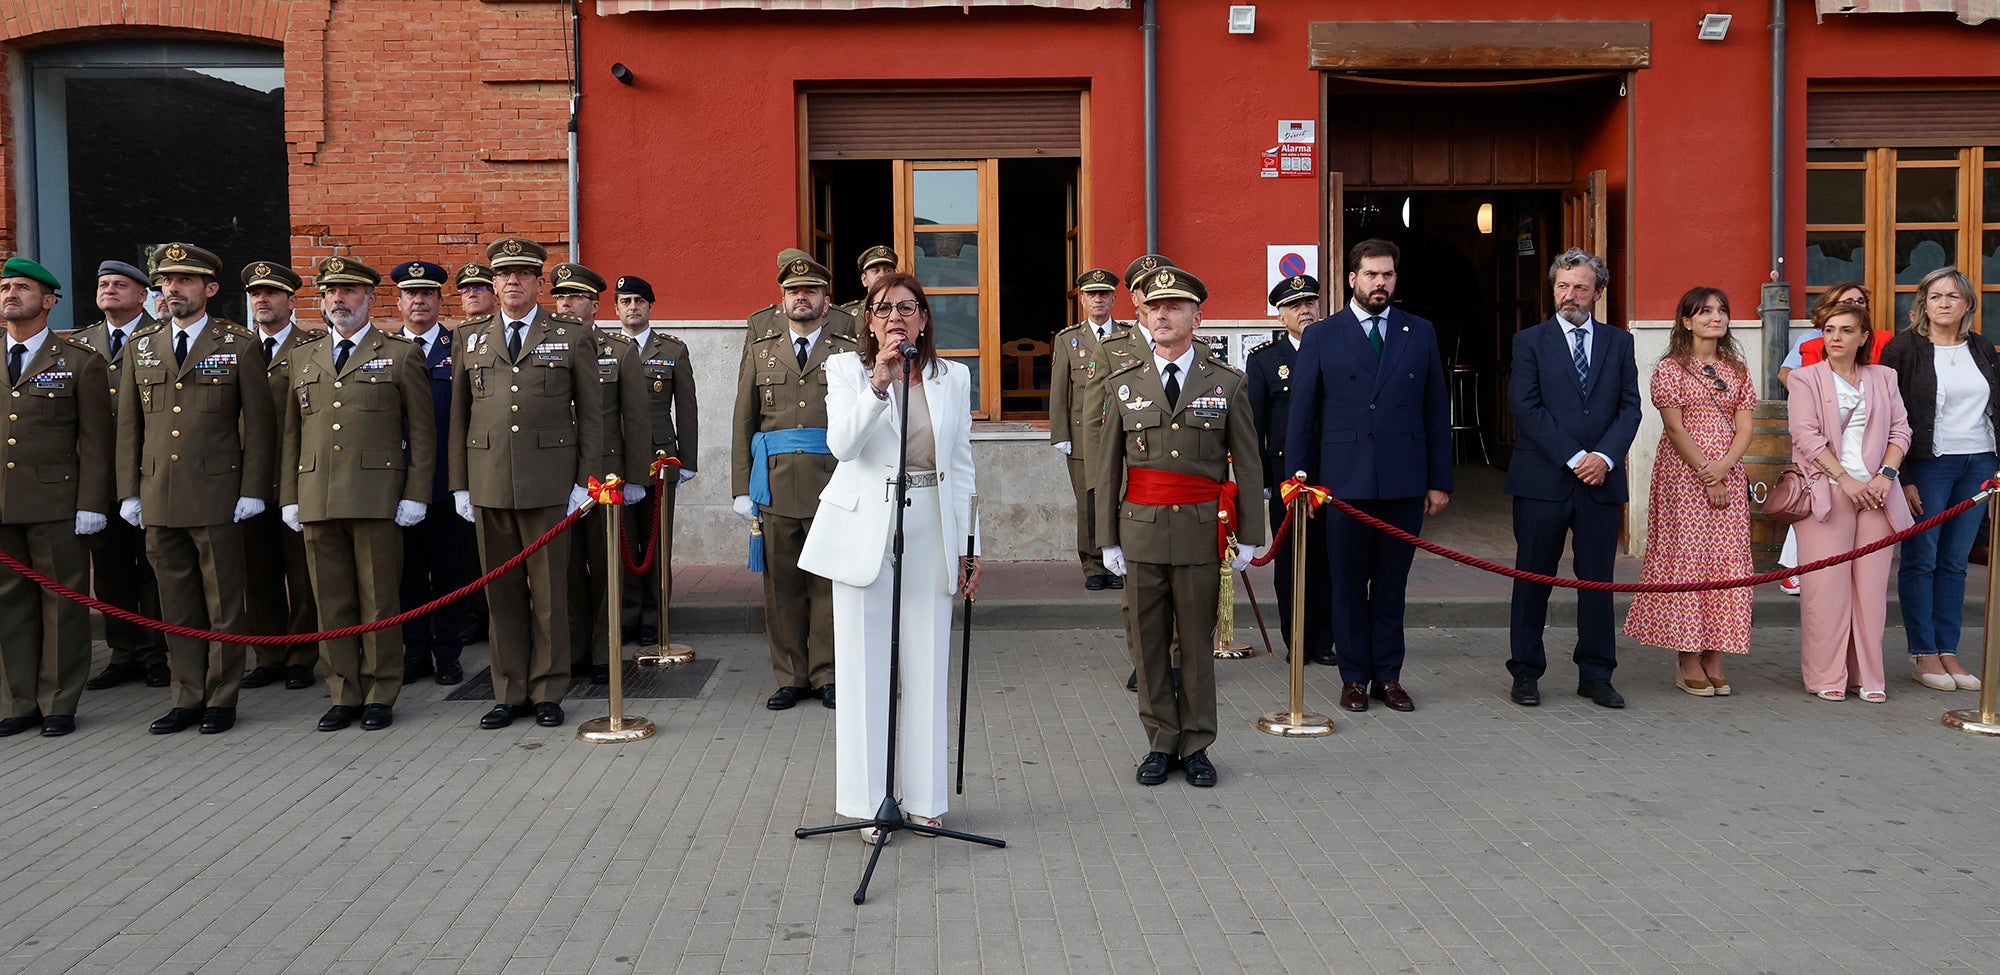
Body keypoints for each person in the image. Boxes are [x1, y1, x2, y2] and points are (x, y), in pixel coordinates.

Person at [798, 272, 981, 842]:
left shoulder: (953, 377)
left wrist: (971, 545)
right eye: (882, 309)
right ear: (867, 321)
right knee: (863, 667)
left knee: (926, 660)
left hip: (931, 519)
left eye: (907, 307)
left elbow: (962, 462)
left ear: (924, 318)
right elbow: (842, 445)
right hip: (865, 525)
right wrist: (880, 383)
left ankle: (925, 799)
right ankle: (867, 799)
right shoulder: (846, 370)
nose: (894, 317)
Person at [1096, 266, 1262, 788]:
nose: (1161, 315)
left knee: (1195, 644)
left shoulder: (1226, 383)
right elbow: (1107, 467)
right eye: (1152, 308)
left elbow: (1248, 462)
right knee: (1147, 646)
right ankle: (1159, 742)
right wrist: (1105, 539)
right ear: (1143, 317)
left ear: (1197, 315)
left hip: (1197, 532)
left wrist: (1252, 534)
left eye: (1174, 307)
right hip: (1140, 530)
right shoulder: (1123, 384)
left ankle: (1197, 744)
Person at [115, 242, 276, 735]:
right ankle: (186, 695)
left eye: (184, 281)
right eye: (166, 281)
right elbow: (129, 426)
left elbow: (259, 425)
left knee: (224, 602)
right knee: (176, 603)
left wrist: (253, 489)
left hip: (217, 493)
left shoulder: (238, 343)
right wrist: (129, 491)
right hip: (159, 493)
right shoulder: (140, 346)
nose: (172, 290)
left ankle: (222, 696)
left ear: (208, 289)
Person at [1284, 240, 1451, 713]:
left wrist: (1439, 480)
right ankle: (1354, 677)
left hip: (1403, 480)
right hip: (1343, 484)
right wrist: (1298, 481)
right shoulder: (1323, 334)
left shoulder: (1418, 332)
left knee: (1392, 586)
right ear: (1352, 279)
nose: (1381, 283)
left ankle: (1389, 677)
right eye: (1372, 275)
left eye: (1389, 275)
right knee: (1348, 584)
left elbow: (1436, 410)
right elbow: (1303, 416)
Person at [448, 236, 604, 730]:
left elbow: (593, 417)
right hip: (489, 482)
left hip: (550, 484)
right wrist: (460, 485)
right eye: (503, 274)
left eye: (522, 274)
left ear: (540, 282)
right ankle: (508, 689)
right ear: (492, 284)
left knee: (550, 593)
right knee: (502, 594)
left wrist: (585, 482)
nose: (512, 281)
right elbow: (459, 417)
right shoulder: (469, 337)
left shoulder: (572, 334)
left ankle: (548, 689)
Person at [279, 257, 435, 731]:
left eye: (348, 292)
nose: (338, 300)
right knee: (331, 600)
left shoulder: (401, 354)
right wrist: (289, 494)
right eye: (330, 292)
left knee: (378, 599)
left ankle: (380, 691)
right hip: (318, 495)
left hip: (376, 495)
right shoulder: (303, 357)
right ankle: (343, 690)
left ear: (369, 299)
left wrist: (416, 494)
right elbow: (292, 433)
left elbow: (424, 433)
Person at [1503, 248, 1641, 710]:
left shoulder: (1619, 343)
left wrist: (1603, 457)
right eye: (1562, 286)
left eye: (1580, 287)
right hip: (1542, 480)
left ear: (1598, 292)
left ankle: (1597, 674)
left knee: (1597, 580)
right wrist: (1576, 456)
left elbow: (1630, 408)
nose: (1570, 295)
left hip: (1601, 484)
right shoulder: (1530, 341)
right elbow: (1526, 407)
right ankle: (1525, 671)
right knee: (1532, 578)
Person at [733, 252, 858, 711]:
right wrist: (742, 488)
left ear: (827, 300)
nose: (800, 297)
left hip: (833, 481)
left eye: (810, 291)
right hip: (776, 484)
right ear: (782, 298)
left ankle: (828, 673)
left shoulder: (846, 350)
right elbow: (743, 419)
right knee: (781, 585)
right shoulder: (761, 348)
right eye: (792, 291)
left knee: (828, 583)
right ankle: (791, 675)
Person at [1622, 288, 1756, 696]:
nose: (1715, 317)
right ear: (1685, 321)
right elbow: (1675, 428)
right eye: (1705, 311)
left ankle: (1716, 652)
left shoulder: (1737, 369)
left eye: (1721, 311)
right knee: (1689, 560)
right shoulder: (1670, 369)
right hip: (1685, 475)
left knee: (1728, 562)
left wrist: (1726, 468)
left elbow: (1746, 426)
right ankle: (1686, 656)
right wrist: (1707, 474)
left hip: (1729, 470)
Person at [0, 258, 113, 737]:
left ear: (48, 301)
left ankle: (59, 701)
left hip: (56, 503)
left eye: (22, 287)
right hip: (2, 505)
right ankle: (16, 701)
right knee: (8, 606)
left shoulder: (79, 361)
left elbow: (95, 441)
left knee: (63, 604)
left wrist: (91, 503)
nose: (10, 294)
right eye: (4, 286)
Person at [1878, 266, 1996, 693]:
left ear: (1967, 304)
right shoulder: (1903, 349)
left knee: (1954, 562)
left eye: (1953, 296)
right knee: (1921, 558)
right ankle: (1922, 651)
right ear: (1922, 304)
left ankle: (1948, 650)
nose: (1944, 303)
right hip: (1929, 464)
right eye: (1935, 296)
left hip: (1979, 463)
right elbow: (1890, 417)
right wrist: (1902, 478)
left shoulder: (1981, 348)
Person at [1789, 304, 1910, 702]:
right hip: (1828, 491)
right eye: (1829, 330)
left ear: (1863, 338)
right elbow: (1806, 437)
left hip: (1878, 493)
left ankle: (1869, 676)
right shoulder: (1806, 379)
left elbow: (1900, 431)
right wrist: (1845, 479)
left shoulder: (1884, 377)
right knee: (1826, 590)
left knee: (1871, 592)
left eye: (1846, 330)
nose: (1835, 337)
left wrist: (1884, 477)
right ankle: (1827, 675)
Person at [549, 261, 650, 684]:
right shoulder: (545, 347)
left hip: (604, 480)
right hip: (555, 476)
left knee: (606, 569)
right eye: (560, 296)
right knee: (566, 571)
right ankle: (572, 653)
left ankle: (604, 653)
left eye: (575, 297)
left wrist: (634, 480)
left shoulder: (617, 350)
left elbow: (637, 420)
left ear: (594, 305)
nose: (566, 304)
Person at [73, 260, 170, 691]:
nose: (109, 290)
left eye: (120, 285)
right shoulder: (80, 344)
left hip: (150, 472)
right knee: (110, 568)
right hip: (98, 476)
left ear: (142, 294)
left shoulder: (160, 337)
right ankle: (122, 652)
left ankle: (155, 652)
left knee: (153, 566)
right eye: (103, 284)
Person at [238, 260, 322, 691]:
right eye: (256, 294)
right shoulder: (235, 349)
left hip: (297, 476)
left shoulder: (312, 347)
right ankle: (268, 654)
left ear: (291, 300)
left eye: (271, 294)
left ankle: (303, 655)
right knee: (258, 571)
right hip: (248, 480)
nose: (262, 301)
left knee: (303, 571)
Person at [1247, 273, 1335, 667]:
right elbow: (1256, 425)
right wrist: (1264, 482)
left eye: (1311, 303)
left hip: (1332, 474)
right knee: (1291, 565)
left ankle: (1326, 641)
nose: (1305, 310)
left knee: (1329, 560)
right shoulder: (1265, 360)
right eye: (1295, 306)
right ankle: (1296, 640)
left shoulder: (1337, 349)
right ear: (1281, 316)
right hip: (1286, 477)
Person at [392, 260, 472, 685]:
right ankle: (415, 651)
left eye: (427, 294)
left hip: (445, 482)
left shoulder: (458, 348)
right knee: (406, 575)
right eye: (411, 294)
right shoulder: (383, 350)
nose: (418, 301)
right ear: (398, 301)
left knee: (449, 574)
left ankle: (448, 653)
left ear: (441, 301)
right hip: (399, 484)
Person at [611, 275, 698, 647]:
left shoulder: (672, 349)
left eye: (639, 301)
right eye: (626, 301)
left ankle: (655, 616)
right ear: (615, 308)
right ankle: (628, 615)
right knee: (625, 540)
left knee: (655, 541)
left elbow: (688, 408)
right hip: (618, 458)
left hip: (660, 459)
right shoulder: (606, 348)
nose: (633, 307)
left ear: (650, 306)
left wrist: (688, 458)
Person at [1775, 283, 1877, 595]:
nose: (1855, 304)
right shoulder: (1810, 340)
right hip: (1819, 434)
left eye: (1861, 301)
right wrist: (1811, 399)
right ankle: (1794, 568)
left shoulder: (1873, 364)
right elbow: (1785, 373)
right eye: (1848, 301)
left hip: (1858, 443)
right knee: (1810, 500)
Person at [1048, 267, 1126, 591]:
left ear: (1113, 298)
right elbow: (1058, 391)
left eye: (1104, 294)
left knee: (1121, 496)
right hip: (1082, 433)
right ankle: (1093, 564)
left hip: (1120, 431)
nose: (1098, 299)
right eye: (1092, 295)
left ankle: (1118, 561)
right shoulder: (1068, 339)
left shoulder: (1127, 337)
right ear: (1082, 300)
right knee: (1089, 500)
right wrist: (1060, 434)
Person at [749, 248, 859, 342]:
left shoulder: (843, 320)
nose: (801, 296)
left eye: (810, 290)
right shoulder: (760, 322)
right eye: (793, 288)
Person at [835, 245, 899, 320]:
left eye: (887, 270)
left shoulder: (907, 310)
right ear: (864, 279)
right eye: (875, 270)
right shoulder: (847, 315)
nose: (882, 275)